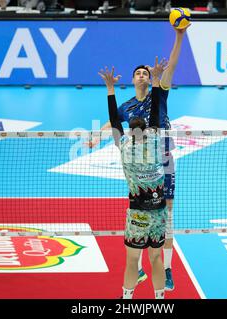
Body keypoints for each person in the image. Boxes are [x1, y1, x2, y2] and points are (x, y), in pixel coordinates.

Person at [89, 25, 190, 291]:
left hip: (164, 157)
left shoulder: (161, 92)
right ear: (133, 80)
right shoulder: (128, 106)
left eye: (146, 72)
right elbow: (113, 121)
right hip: (142, 161)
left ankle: (166, 268)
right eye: (139, 73)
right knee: (140, 202)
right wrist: (96, 136)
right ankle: (142, 264)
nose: (143, 75)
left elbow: (173, 65)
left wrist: (179, 36)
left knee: (167, 211)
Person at [100, 57, 168, 299]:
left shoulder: (125, 147)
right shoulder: (158, 145)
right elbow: (157, 111)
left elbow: (115, 119)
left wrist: (110, 89)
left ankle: (127, 299)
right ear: (149, 131)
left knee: (132, 260)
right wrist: (157, 79)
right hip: (159, 212)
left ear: (129, 131)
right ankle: (160, 300)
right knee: (156, 258)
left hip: (137, 212)